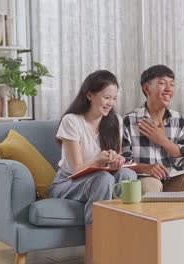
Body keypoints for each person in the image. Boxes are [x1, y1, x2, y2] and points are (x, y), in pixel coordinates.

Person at [48, 70, 137, 263]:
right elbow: (77, 168)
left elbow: (117, 159)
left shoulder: (116, 120)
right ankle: (94, 256)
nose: (110, 103)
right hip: (68, 182)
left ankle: (126, 248)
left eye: (114, 98)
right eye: (106, 97)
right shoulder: (72, 121)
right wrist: (98, 161)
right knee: (102, 179)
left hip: (99, 178)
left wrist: (117, 160)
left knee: (128, 175)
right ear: (89, 95)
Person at [122, 65, 184, 193]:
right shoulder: (130, 120)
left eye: (172, 84)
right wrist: (145, 168)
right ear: (146, 88)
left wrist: (164, 141)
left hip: (173, 178)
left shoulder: (178, 119)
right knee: (150, 186)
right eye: (162, 83)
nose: (169, 89)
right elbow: (122, 162)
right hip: (145, 178)